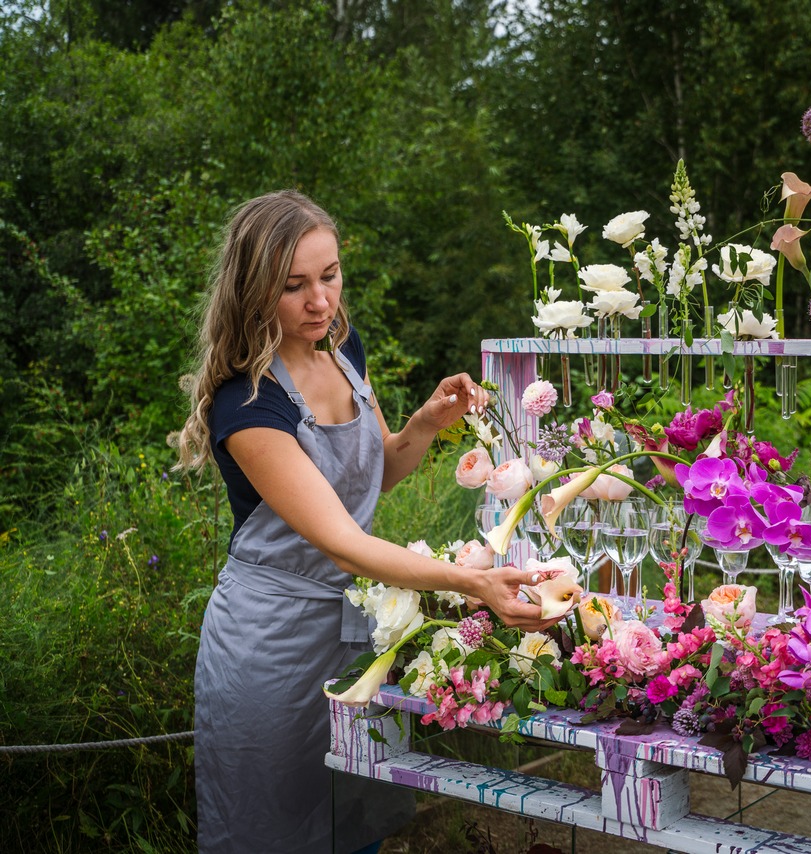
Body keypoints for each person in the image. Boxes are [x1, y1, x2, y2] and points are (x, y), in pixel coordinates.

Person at [175, 190, 553, 853]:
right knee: (272, 829)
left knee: (354, 822)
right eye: (294, 286)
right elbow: (344, 539)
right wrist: (471, 584)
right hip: (272, 643)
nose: (321, 301)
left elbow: (372, 473)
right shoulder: (249, 404)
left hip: (357, 628)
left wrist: (427, 424)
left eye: (330, 274)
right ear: (256, 290)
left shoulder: (345, 351)